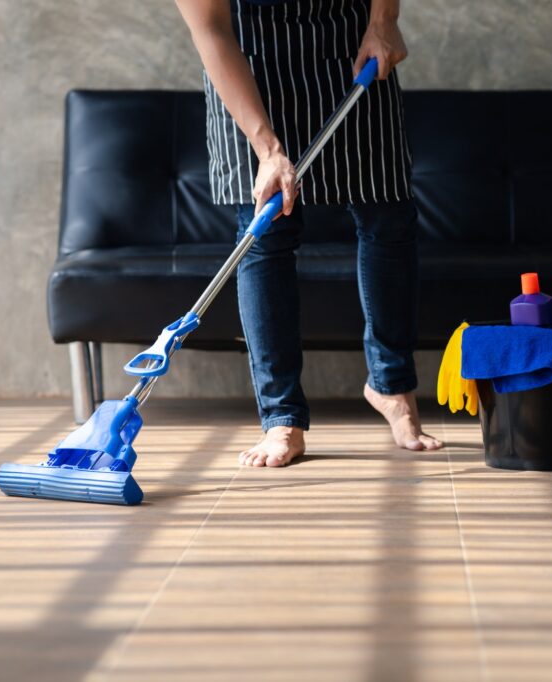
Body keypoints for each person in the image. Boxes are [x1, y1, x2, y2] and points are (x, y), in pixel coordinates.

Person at [176, 0, 443, 466]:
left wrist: (384, 21)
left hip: (350, 50)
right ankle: (281, 416)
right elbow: (212, 33)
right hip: (249, 69)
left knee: (389, 219)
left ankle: (391, 385)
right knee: (267, 235)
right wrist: (267, 148)